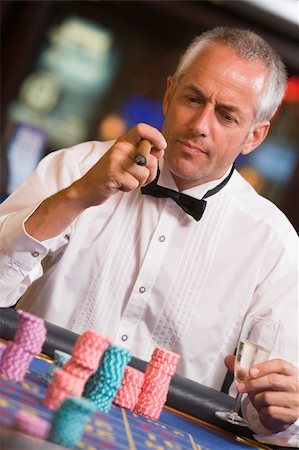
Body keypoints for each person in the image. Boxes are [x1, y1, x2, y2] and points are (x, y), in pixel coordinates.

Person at [0, 27, 298, 446]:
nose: (199, 125)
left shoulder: (275, 246)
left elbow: (274, 425)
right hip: (24, 414)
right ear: (169, 95)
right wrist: (77, 197)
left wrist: (281, 413)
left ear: (255, 135)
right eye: (193, 99)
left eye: (226, 115)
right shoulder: (76, 166)